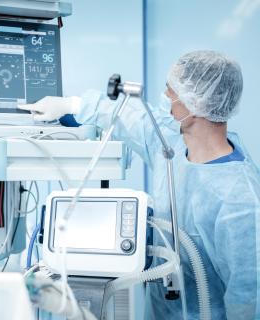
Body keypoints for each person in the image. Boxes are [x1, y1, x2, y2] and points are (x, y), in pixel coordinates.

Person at [19, 50, 260, 319]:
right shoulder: (173, 144)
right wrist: (72, 105)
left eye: (172, 89)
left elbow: (250, 296)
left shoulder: (239, 201)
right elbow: (136, 118)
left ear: (195, 104)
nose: (166, 95)